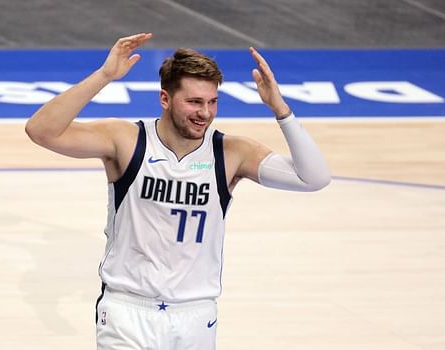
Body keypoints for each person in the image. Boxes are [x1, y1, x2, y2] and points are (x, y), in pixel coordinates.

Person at [25, 32, 330, 350]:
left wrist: (280, 109)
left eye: (212, 102)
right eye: (195, 102)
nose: (206, 113)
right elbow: (41, 130)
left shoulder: (231, 151)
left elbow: (314, 178)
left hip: (195, 313)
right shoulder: (127, 140)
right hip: (126, 310)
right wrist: (105, 76)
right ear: (165, 99)